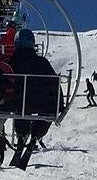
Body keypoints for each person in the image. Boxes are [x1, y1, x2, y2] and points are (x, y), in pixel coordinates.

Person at [8, 28, 63, 159]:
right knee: (48, 112)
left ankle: (22, 134)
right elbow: (54, 83)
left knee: (20, 109)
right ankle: (36, 135)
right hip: (41, 103)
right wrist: (60, 105)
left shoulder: (11, 62)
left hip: (18, 103)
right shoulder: (42, 63)